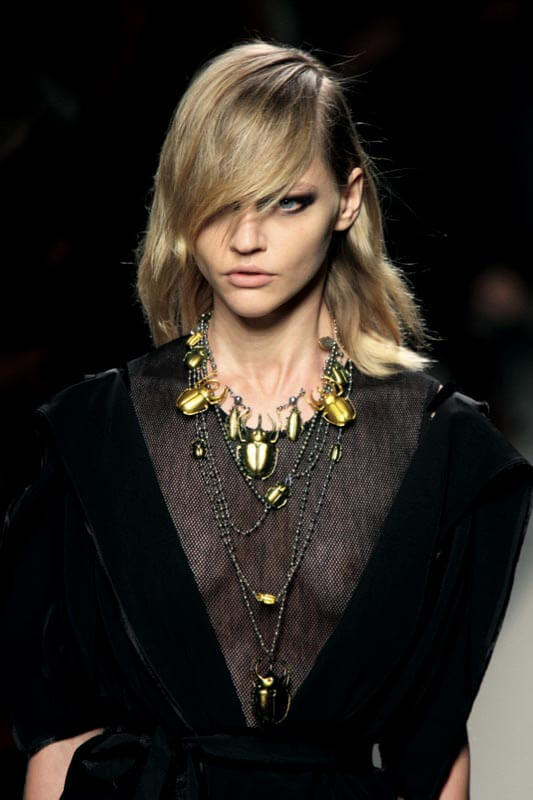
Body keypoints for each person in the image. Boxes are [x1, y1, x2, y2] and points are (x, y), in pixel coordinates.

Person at [1, 38, 532, 800]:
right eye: (220, 200)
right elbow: (58, 743)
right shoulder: (96, 437)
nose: (246, 239)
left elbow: (431, 746)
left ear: (346, 199)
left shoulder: (435, 447)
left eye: (287, 201)